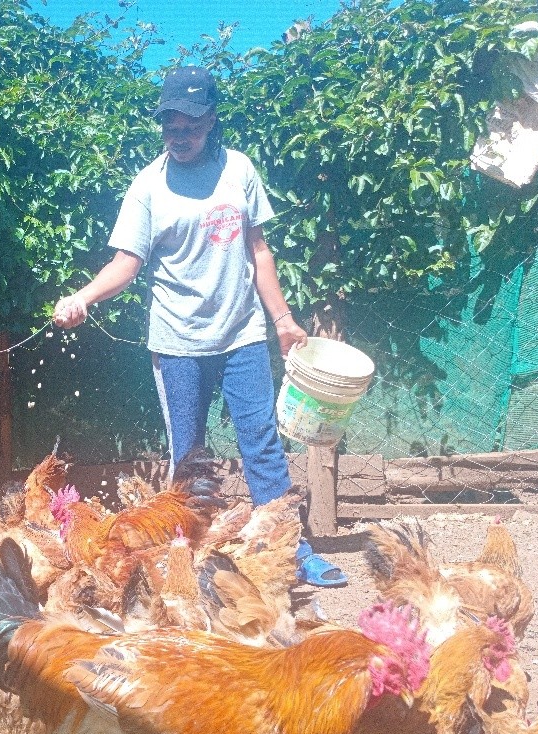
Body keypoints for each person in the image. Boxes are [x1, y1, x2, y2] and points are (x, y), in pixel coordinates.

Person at [52, 65, 346, 588]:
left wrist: (282, 320)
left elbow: (258, 250)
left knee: (261, 444)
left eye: (189, 123)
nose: (178, 135)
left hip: (242, 334)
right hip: (179, 342)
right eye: (169, 124)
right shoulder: (148, 186)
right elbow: (127, 262)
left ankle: (291, 551)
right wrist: (82, 298)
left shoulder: (239, 170)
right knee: (188, 456)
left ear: (211, 120)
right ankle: (186, 563)